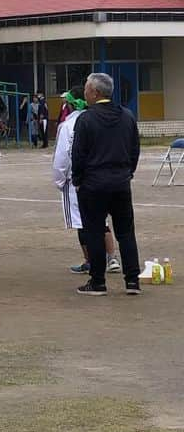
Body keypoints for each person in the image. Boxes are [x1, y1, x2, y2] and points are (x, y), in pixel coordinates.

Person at [71, 72, 141, 296]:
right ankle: (132, 281)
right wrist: (127, 172)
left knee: (94, 231)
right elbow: (134, 150)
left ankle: (98, 281)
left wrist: (78, 180)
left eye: (86, 89)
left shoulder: (86, 119)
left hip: (93, 184)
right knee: (126, 233)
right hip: (120, 182)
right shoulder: (127, 116)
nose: (84, 93)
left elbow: (78, 154)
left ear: (95, 92)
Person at [52, 87, 121, 278]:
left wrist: (59, 180)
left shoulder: (68, 125)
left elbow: (62, 157)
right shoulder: (100, 120)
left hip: (77, 180)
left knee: (81, 221)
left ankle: (90, 261)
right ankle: (112, 258)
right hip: (102, 177)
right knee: (102, 219)